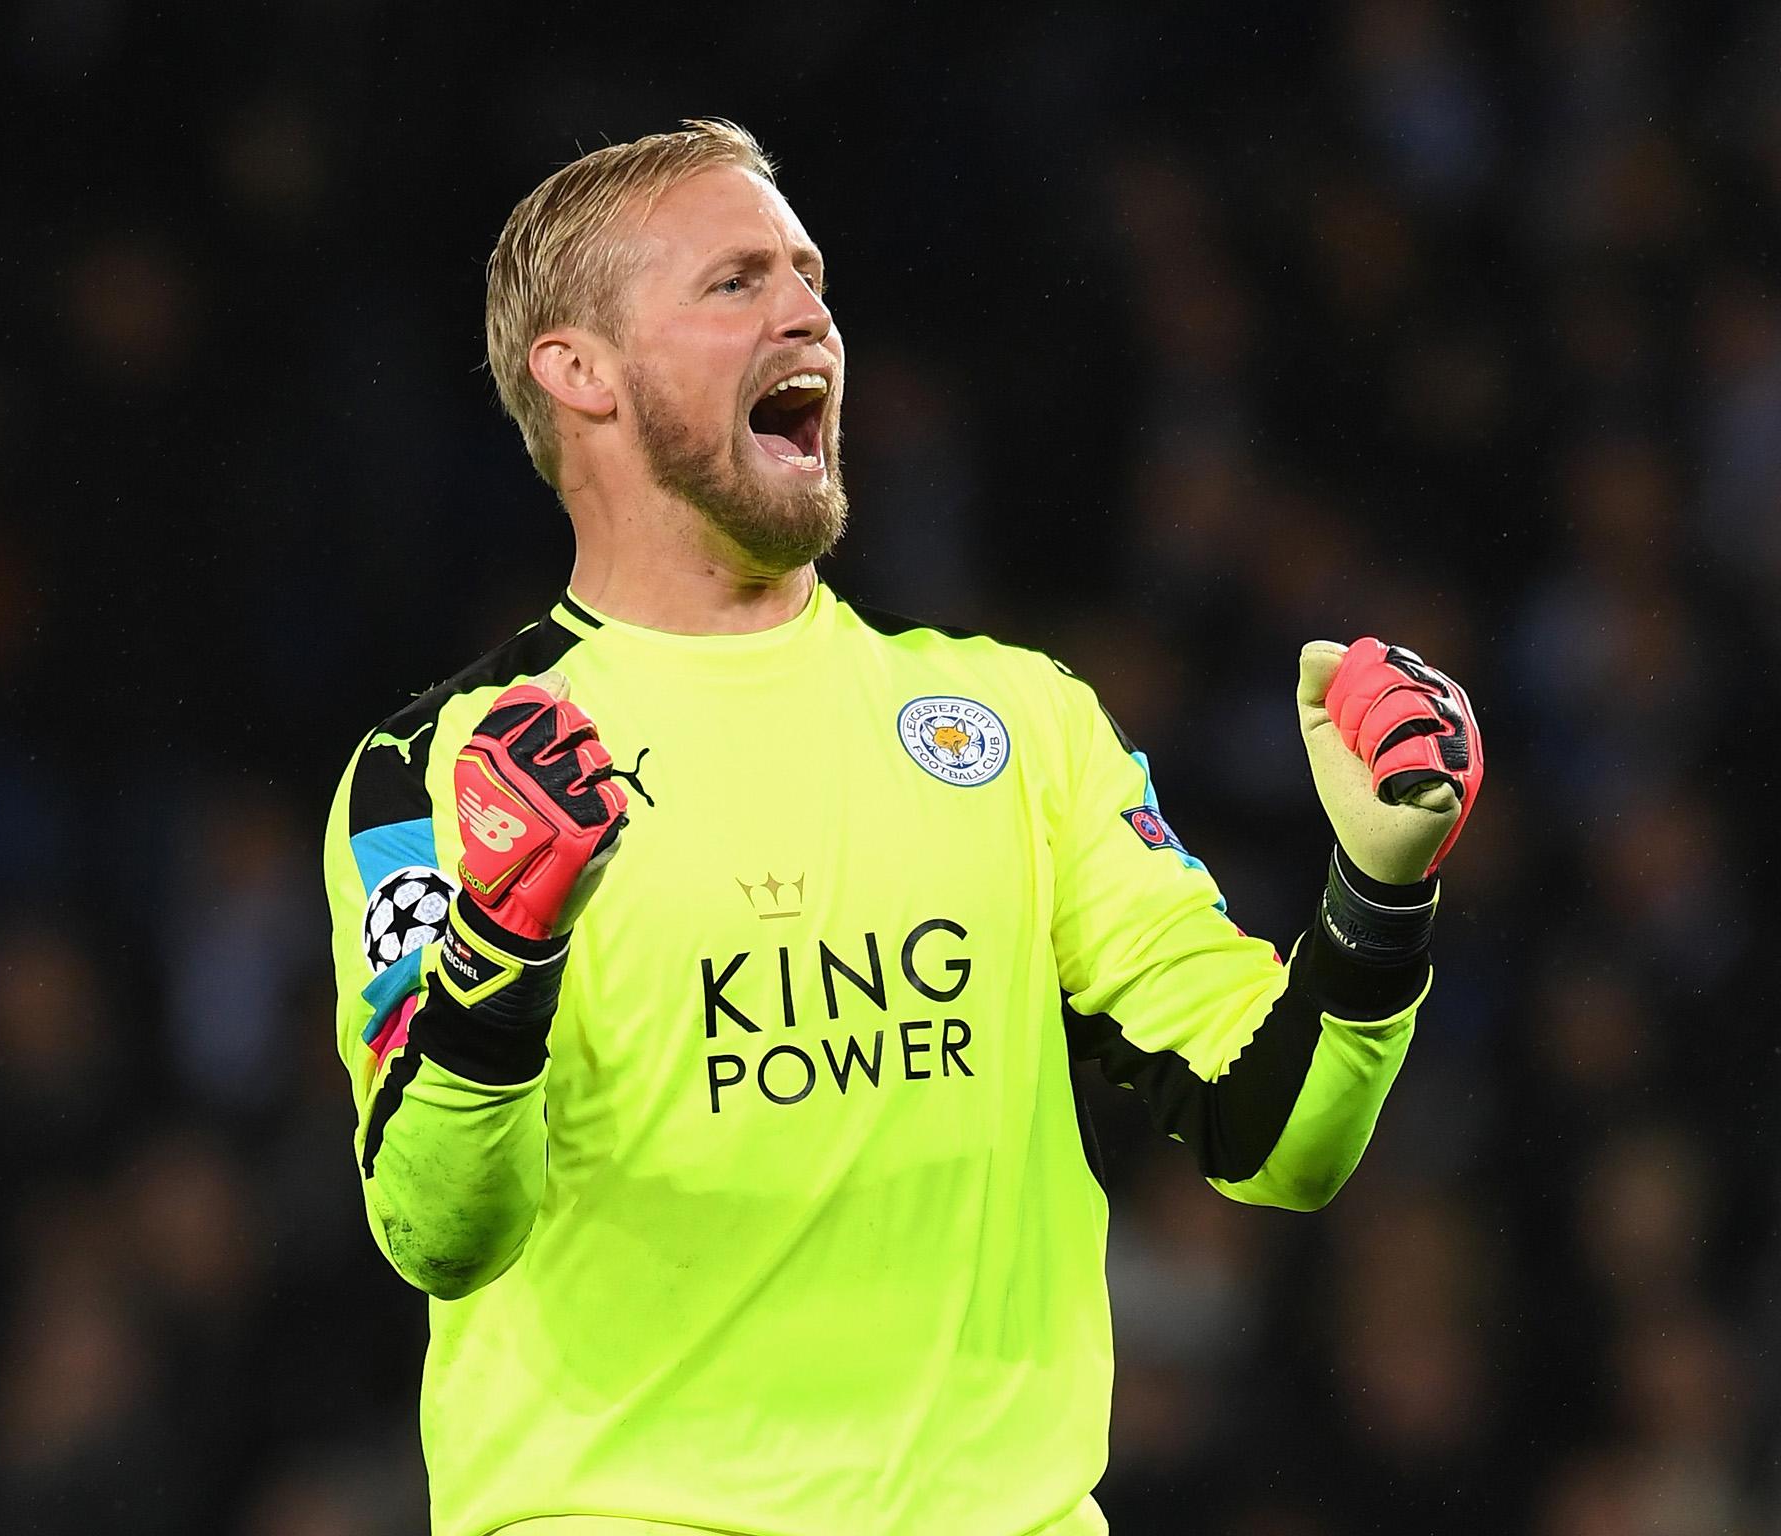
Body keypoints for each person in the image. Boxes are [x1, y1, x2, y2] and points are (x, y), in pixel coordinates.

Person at [322, 119, 1484, 1536]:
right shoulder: (451, 768)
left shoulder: (1018, 726)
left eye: (809, 277)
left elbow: (1282, 1134)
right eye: (736, 282)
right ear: (582, 372)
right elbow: (438, 1227)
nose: (808, 311)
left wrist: (1376, 893)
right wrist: (505, 946)